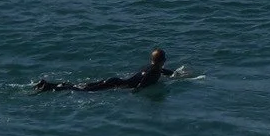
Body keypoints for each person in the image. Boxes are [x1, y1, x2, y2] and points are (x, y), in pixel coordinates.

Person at [32, 48, 176, 93]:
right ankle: (51, 87)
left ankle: (51, 85)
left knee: (84, 86)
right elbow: (140, 85)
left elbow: (165, 72)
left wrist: (177, 74)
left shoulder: (153, 68)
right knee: (84, 90)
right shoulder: (154, 71)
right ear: (163, 60)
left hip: (115, 81)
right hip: (117, 85)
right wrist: (136, 93)